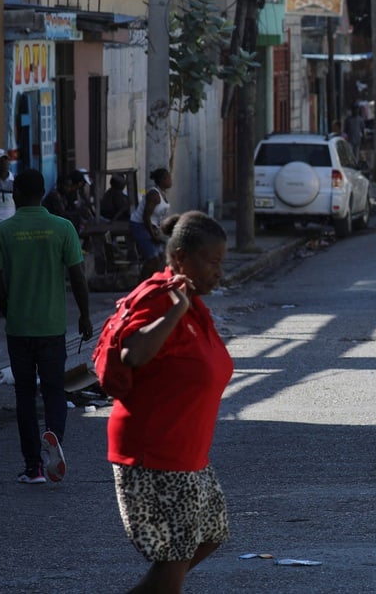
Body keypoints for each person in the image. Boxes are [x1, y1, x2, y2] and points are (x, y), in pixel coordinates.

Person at [108, 211, 232, 593]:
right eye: (212, 263)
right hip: (156, 455)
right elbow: (132, 354)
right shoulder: (162, 298)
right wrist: (175, 310)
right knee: (172, 563)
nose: (219, 272)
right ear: (179, 258)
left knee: (211, 534)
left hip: (188, 455)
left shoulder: (193, 301)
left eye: (221, 263)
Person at [0, 168, 93, 485]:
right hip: (52, 327)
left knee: (24, 396)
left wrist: (7, 309)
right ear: (43, 191)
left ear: (17, 193)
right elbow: (77, 276)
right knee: (54, 391)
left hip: (19, 329)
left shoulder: (2, 231)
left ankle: (33, 467)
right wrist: (85, 316)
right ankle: (54, 436)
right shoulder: (62, 227)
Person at [130, 168, 173, 280]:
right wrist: (153, 235)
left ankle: (152, 283)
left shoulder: (163, 194)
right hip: (140, 225)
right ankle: (140, 285)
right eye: (168, 177)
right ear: (162, 180)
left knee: (160, 258)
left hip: (151, 227)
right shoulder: (154, 194)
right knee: (152, 259)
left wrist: (157, 231)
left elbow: (156, 218)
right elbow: (146, 217)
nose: (170, 180)